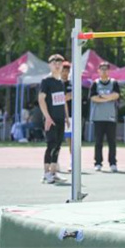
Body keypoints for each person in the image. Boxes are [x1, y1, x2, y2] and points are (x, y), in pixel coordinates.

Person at [38, 54, 70, 184]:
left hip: (60, 118)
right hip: (50, 119)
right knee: (51, 144)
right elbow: (41, 99)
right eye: (54, 63)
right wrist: (47, 117)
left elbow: (62, 100)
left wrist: (67, 117)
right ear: (49, 65)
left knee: (58, 145)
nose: (57, 65)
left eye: (59, 63)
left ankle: (53, 172)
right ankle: (46, 173)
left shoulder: (61, 82)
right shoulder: (46, 81)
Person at [89, 61, 121, 173]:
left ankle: (113, 163)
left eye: (106, 69)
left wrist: (102, 97)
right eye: (102, 69)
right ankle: (98, 163)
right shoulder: (95, 83)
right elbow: (93, 98)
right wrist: (108, 98)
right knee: (98, 142)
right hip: (98, 117)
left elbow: (116, 95)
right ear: (98, 71)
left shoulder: (114, 83)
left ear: (109, 71)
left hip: (111, 117)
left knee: (112, 142)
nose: (104, 71)